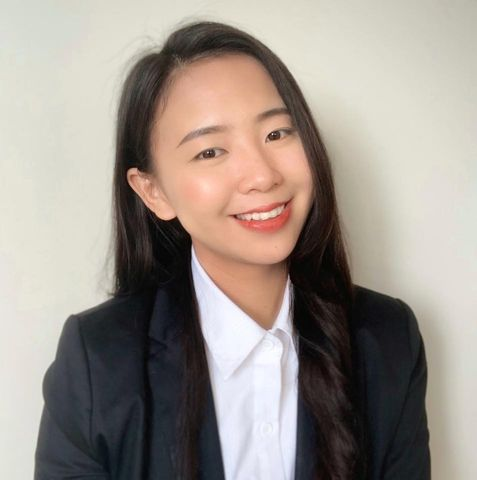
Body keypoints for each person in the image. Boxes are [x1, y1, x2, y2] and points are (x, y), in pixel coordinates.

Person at [34, 20, 430, 480]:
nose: (262, 175)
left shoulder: (386, 339)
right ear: (153, 191)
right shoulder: (97, 360)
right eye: (210, 152)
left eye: (277, 133)